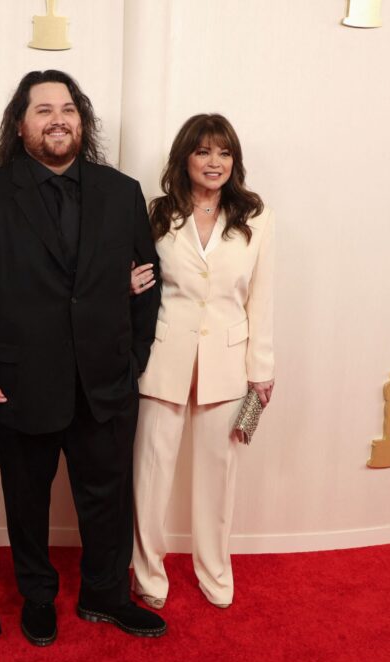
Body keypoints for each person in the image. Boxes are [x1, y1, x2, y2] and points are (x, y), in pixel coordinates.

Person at [0, 70, 165, 646]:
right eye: (42, 110)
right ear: (19, 126)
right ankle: (37, 596)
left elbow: (148, 280)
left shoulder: (122, 192)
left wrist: (133, 358)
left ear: (82, 119)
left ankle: (105, 593)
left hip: (105, 379)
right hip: (17, 383)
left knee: (107, 495)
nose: (58, 119)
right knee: (26, 498)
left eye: (67, 108)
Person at [130, 113, 274, 610]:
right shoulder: (157, 214)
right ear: (185, 158)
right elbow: (138, 281)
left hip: (229, 366)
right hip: (164, 359)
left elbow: (262, 297)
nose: (215, 162)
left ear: (234, 161)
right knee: (151, 476)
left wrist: (262, 369)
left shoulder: (257, 218)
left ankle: (214, 571)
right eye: (203, 151)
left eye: (224, 152)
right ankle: (149, 575)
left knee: (219, 476)